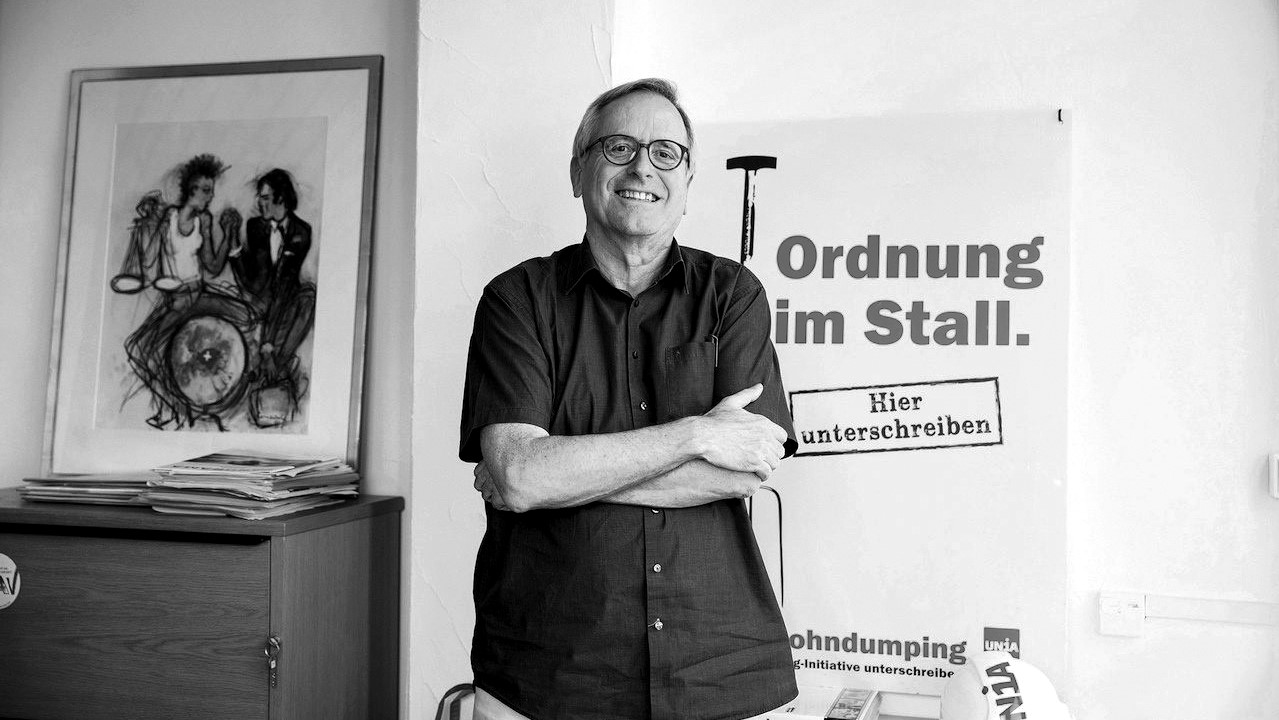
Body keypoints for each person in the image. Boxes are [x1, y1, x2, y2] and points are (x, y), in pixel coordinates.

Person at [459, 78, 799, 720]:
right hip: (547, 670)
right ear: (578, 171)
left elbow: (745, 472)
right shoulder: (517, 301)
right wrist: (696, 435)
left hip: (719, 664)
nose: (643, 167)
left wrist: (559, 476)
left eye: (666, 153)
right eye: (619, 147)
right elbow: (521, 476)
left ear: (687, 180)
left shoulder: (733, 295)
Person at [120, 153, 249, 429]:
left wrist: (228, 235)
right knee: (139, 349)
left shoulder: (204, 221)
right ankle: (175, 408)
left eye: (211, 191)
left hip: (193, 295)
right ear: (191, 189)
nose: (210, 197)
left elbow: (213, 266)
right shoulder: (168, 218)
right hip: (173, 298)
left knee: (141, 349)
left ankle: (175, 410)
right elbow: (150, 259)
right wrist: (147, 218)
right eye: (206, 190)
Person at [229, 168, 316, 423]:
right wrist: (234, 245)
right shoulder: (255, 227)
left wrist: (268, 344)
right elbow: (254, 282)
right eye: (260, 197)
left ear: (282, 198)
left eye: (266, 197)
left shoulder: (302, 232)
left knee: (307, 297)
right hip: (259, 302)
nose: (260, 202)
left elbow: (284, 285)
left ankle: (272, 379)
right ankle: (268, 383)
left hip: (285, 305)